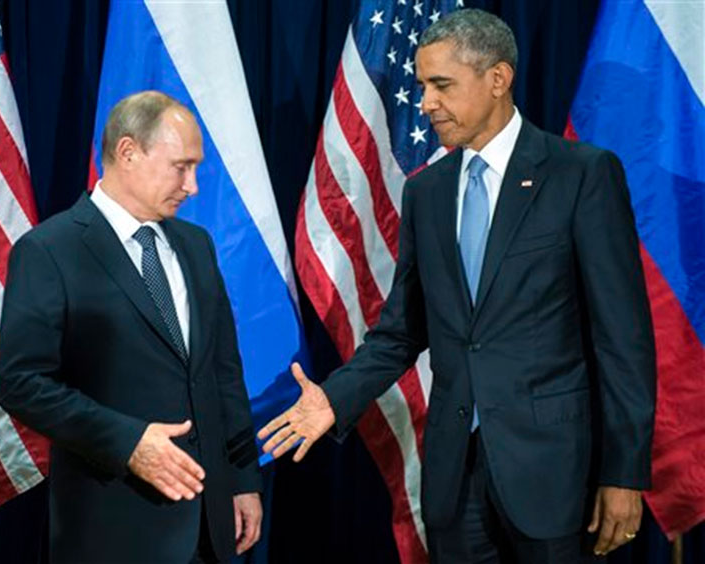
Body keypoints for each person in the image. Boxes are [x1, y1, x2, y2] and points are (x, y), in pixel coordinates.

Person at [259, 9, 655, 564]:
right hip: (455, 478)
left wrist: (625, 473)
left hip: (552, 475)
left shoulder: (581, 175)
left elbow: (624, 339)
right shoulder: (429, 191)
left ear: (498, 79)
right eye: (422, 85)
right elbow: (400, 331)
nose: (425, 103)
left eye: (441, 85)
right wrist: (334, 398)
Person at [0, 91, 262, 564]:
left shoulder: (196, 244)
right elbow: (21, 384)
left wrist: (242, 480)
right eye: (181, 167)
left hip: (210, 529)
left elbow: (223, 373)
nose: (194, 185)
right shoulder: (49, 250)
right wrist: (129, 442)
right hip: (112, 528)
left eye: (196, 168)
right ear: (127, 152)